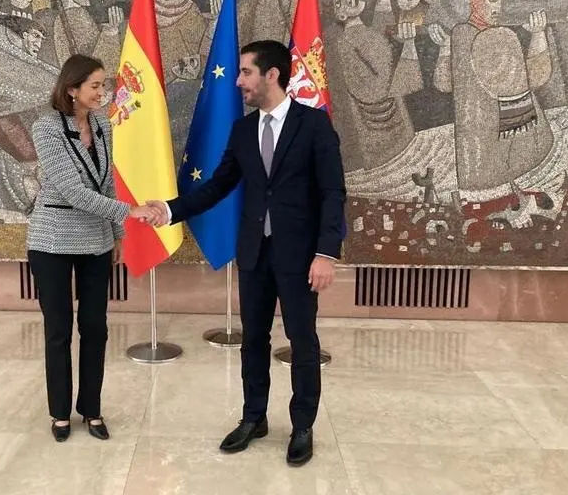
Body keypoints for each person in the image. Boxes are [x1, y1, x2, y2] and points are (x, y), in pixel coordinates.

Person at [147, 40, 346, 466]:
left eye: (246, 72)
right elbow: (218, 186)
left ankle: (303, 426)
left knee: (302, 341)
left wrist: (326, 253)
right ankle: (254, 417)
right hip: (254, 254)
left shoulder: (314, 124)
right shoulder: (242, 130)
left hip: (300, 257)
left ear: (271, 74)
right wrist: (170, 210)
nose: (238, 81)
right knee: (253, 339)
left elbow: (333, 192)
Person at [27, 54, 160, 442]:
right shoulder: (46, 127)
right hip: (53, 240)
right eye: (96, 85)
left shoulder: (102, 124)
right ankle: (60, 413)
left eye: (104, 84)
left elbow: (106, 183)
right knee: (58, 329)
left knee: (96, 328)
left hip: (96, 241)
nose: (103, 92)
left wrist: (117, 233)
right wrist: (130, 212)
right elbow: (72, 190)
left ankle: (91, 409)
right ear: (72, 89)